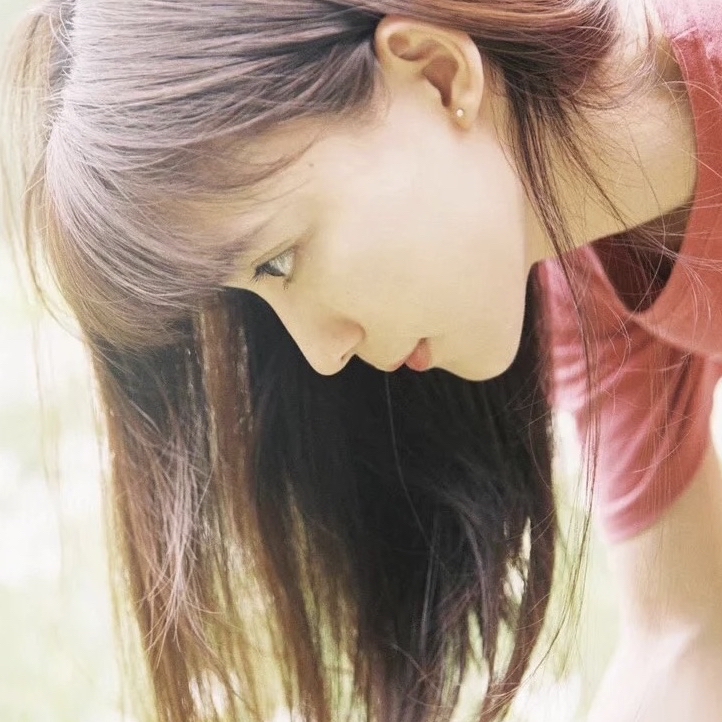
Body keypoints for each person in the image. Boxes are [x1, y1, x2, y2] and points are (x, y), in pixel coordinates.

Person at [2, 0, 722, 720]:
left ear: (437, 75)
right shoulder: (597, 278)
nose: (323, 355)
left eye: (279, 261)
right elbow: (686, 635)